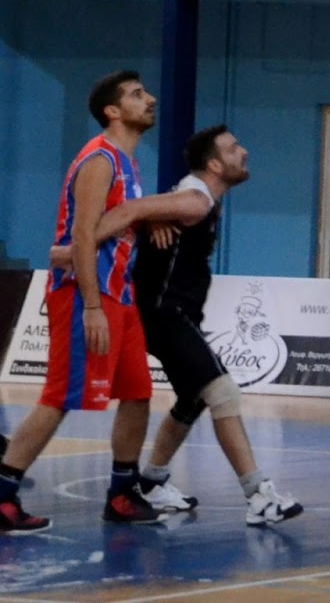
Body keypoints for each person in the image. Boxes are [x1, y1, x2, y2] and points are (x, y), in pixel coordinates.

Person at [61, 124, 303, 527]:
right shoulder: (194, 200)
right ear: (214, 165)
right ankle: (259, 496)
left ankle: (152, 482)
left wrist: (153, 218)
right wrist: (75, 252)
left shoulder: (194, 197)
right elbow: (126, 211)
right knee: (223, 393)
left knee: (192, 398)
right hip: (163, 313)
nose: (243, 152)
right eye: (233, 148)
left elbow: (141, 211)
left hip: (174, 312)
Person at [0, 71, 165, 532]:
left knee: (137, 393)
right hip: (85, 294)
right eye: (137, 95)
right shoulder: (100, 159)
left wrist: (149, 218)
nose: (150, 99)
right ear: (113, 111)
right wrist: (92, 306)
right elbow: (82, 234)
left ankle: (121, 494)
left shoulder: (127, 162)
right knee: (59, 397)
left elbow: (115, 223)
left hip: (120, 294)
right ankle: (3, 493)